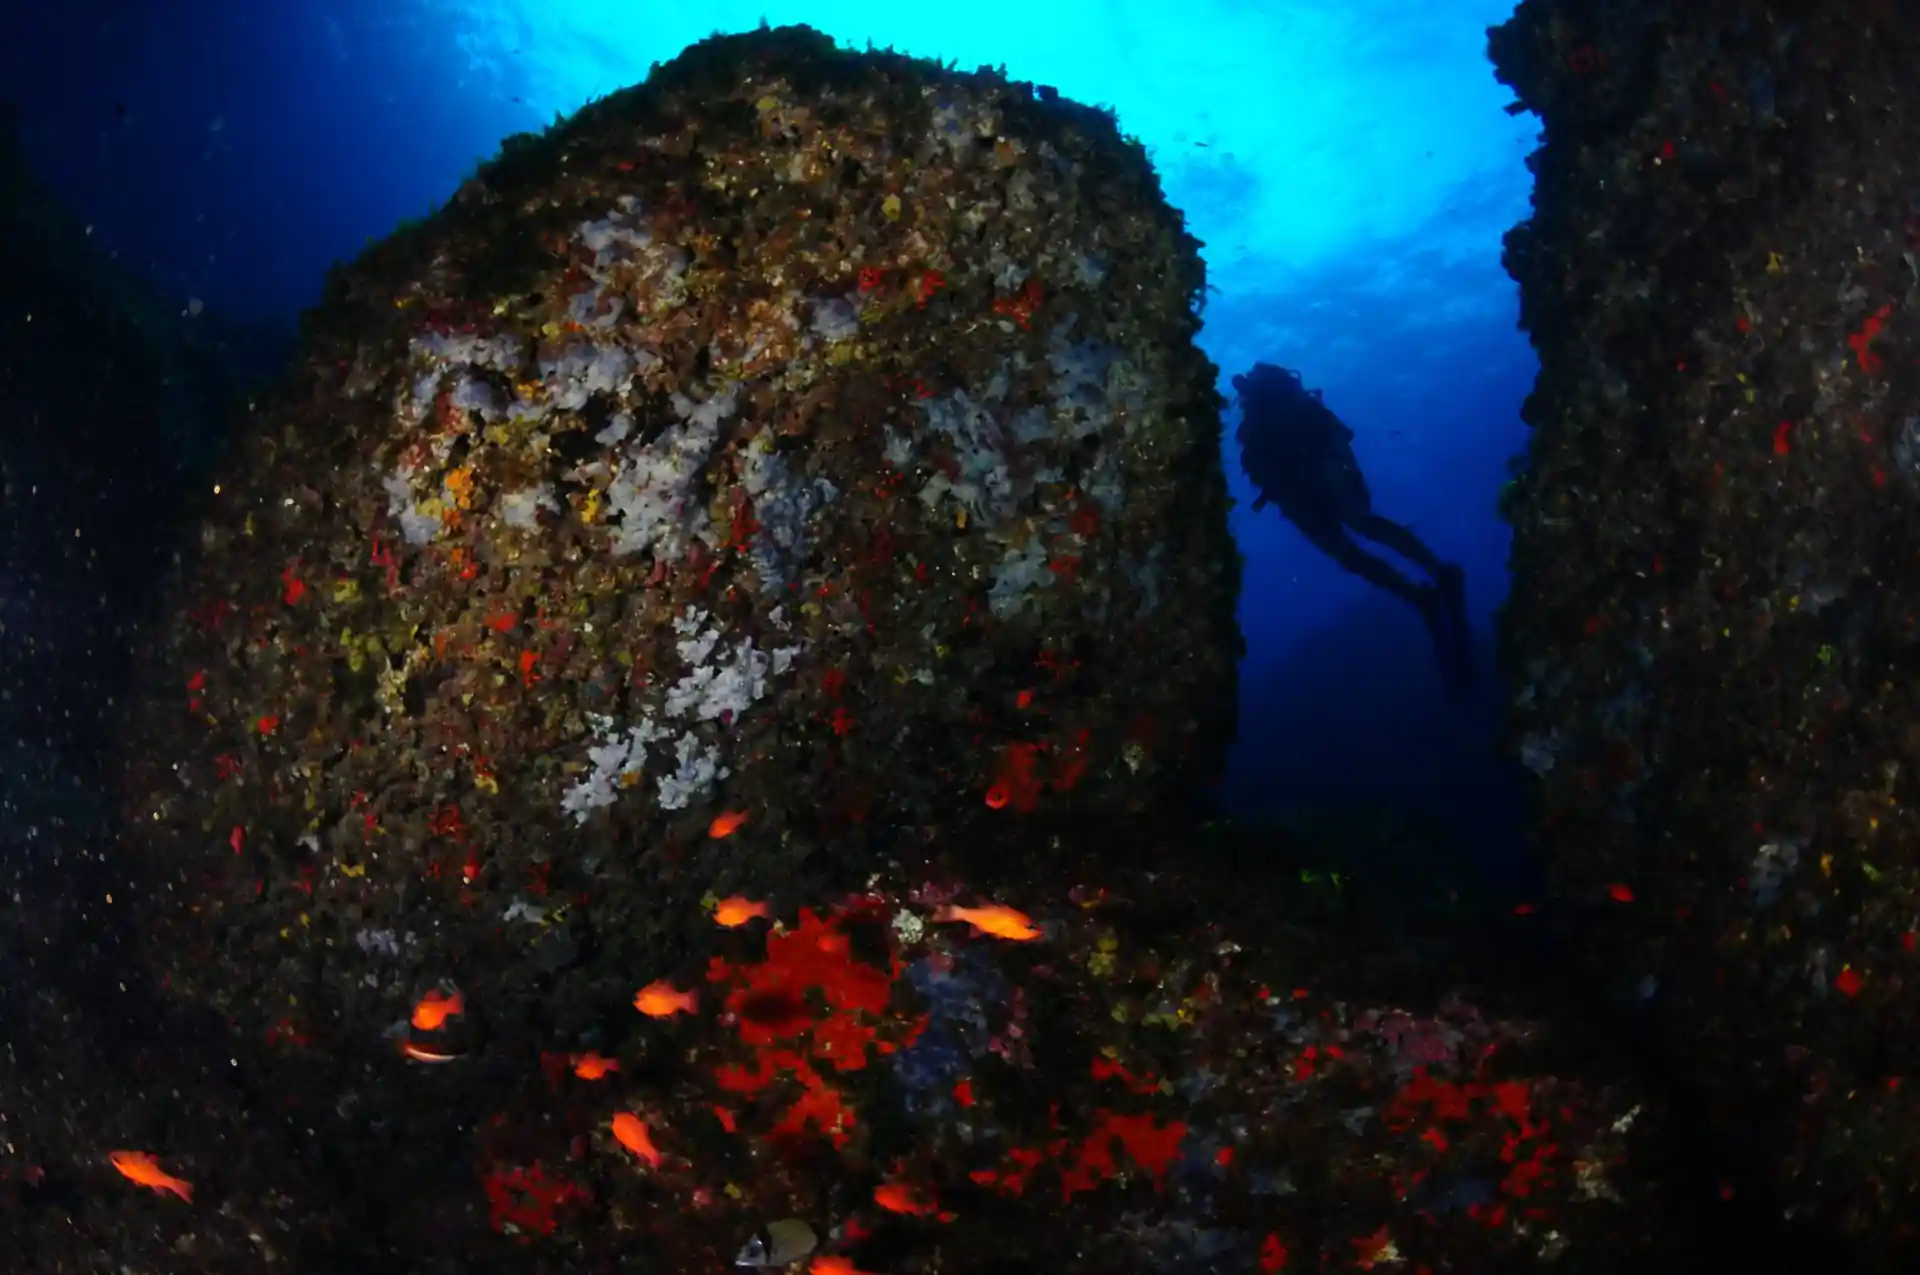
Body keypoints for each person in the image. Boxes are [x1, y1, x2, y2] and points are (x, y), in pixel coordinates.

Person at [1232, 361, 1473, 695]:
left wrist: (1341, 474)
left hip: (1316, 479)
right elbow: (1268, 463)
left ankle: (1430, 583)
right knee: (1353, 545)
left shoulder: (1288, 408)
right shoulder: (1263, 420)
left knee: (1360, 532)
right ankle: (1425, 588)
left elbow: (1331, 436)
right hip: (1300, 492)